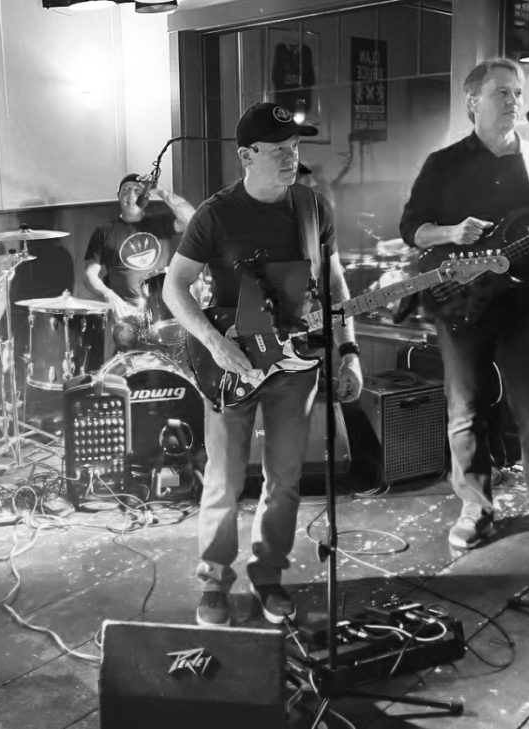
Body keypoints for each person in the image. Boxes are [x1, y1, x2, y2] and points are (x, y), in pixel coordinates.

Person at [163, 102, 363, 627]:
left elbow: (334, 283)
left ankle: (268, 575)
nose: (291, 158)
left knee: (285, 478)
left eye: (295, 148)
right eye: (278, 150)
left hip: (298, 364)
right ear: (247, 155)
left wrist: (348, 350)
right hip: (232, 364)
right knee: (224, 480)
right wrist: (214, 344)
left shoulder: (313, 208)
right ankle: (214, 582)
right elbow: (173, 287)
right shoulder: (216, 214)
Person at [399, 58, 529, 553]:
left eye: (518, 92)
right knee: (466, 407)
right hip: (460, 301)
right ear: (473, 102)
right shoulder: (443, 163)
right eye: (502, 93)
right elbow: (411, 229)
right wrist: (450, 232)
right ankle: (476, 507)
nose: (514, 101)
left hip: (524, 301)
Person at [84, 173, 196, 348]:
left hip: (166, 309)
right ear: (118, 196)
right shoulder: (104, 232)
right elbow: (90, 275)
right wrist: (109, 295)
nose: (131, 195)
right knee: (126, 344)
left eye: (137, 191)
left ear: (145, 197)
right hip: (129, 316)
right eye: (126, 190)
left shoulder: (160, 223)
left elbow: (192, 218)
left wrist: (160, 190)